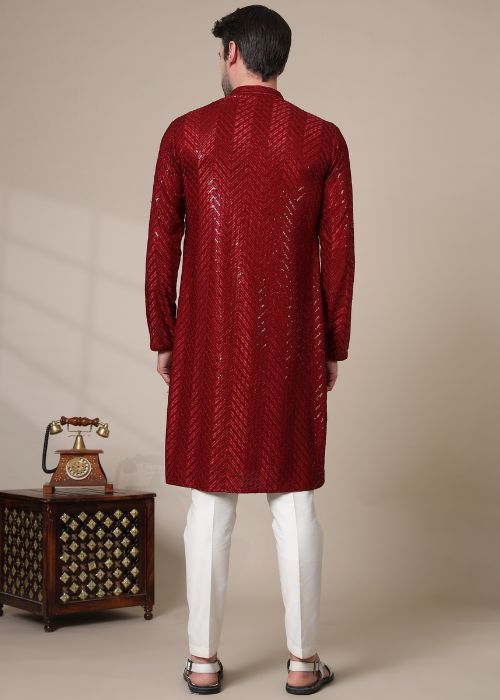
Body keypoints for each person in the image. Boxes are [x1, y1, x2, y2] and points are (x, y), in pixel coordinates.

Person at [144, 4, 355, 694]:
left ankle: (203, 663)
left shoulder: (186, 134)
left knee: (211, 502)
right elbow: (339, 254)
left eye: (220, 53)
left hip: (208, 343)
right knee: (293, 500)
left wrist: (164, 333)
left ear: (232, 51)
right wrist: (332, 343)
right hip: (293, 342)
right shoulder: (322, 139)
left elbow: (162, 244)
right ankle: (303, 663)